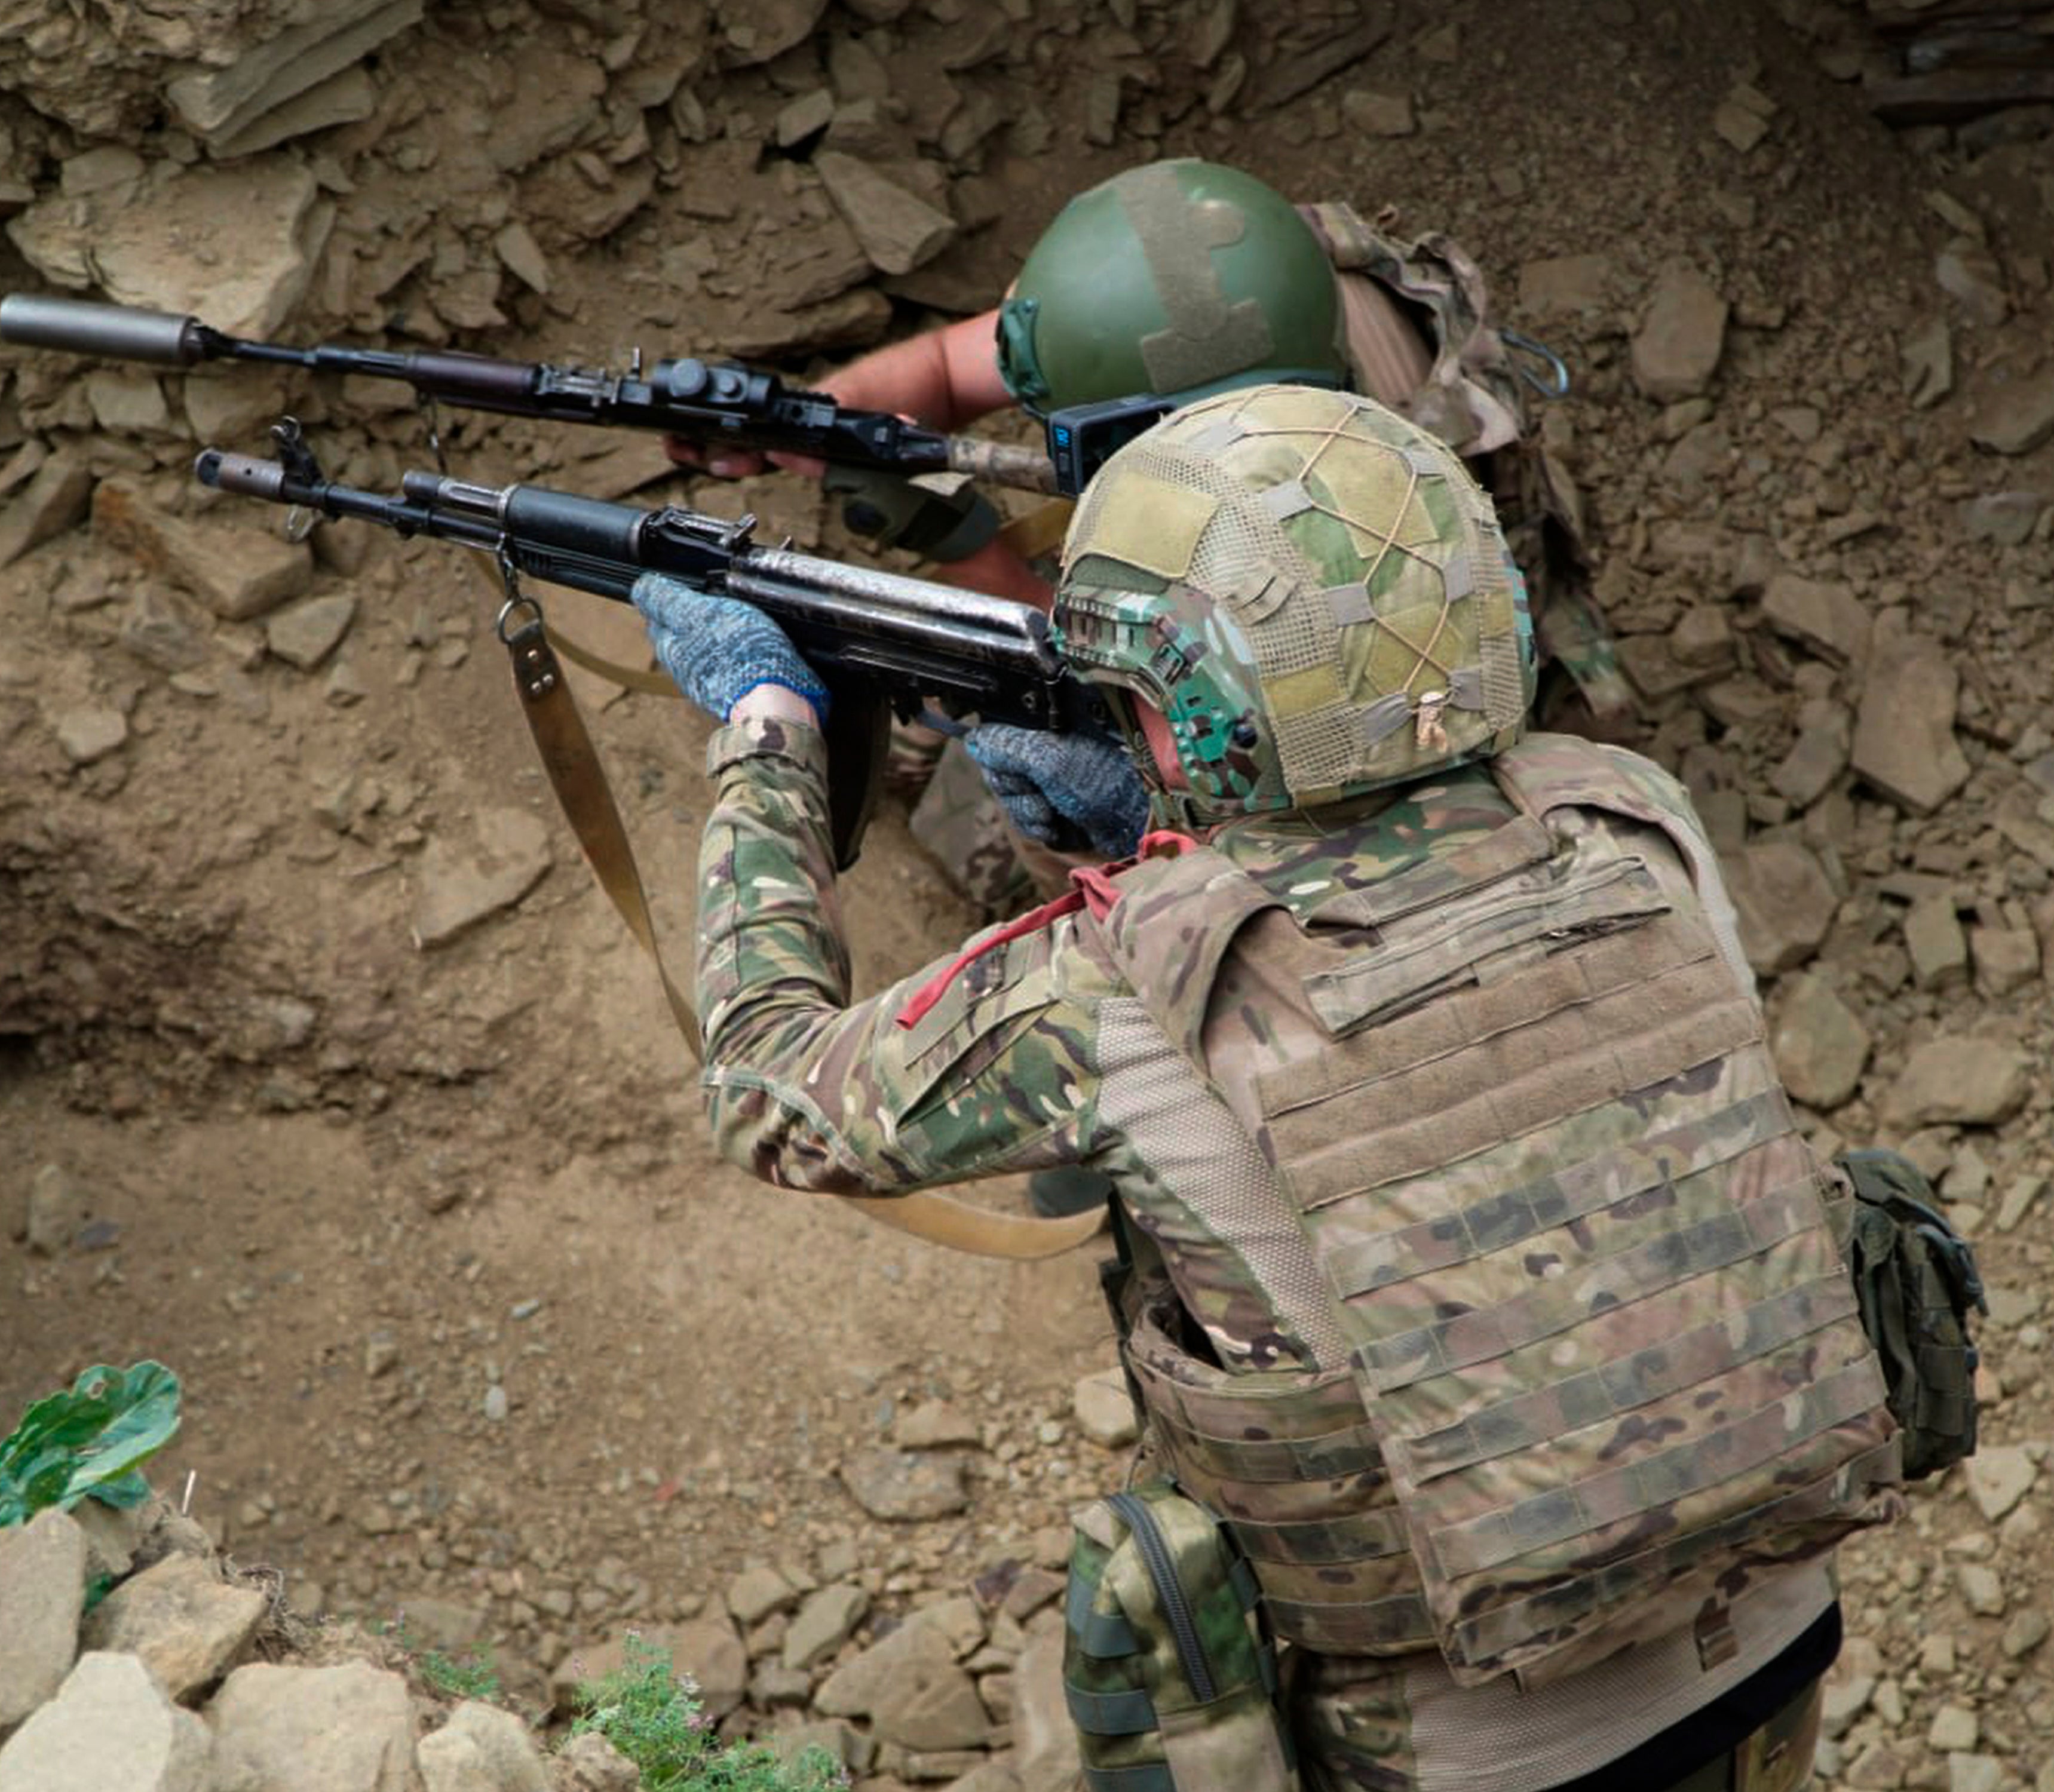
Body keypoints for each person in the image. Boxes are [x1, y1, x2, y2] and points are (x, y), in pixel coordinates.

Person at [633, 383, 1906, 1792]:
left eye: (1141, 689)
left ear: (1196, 705)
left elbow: (766, 1090)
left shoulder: (1106, 994)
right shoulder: (1631, 816)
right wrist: (1169, 831)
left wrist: (765, 727)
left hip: (1472, 1750)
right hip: (1776, 1645)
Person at [670, 157, 1631, 912]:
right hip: (1268, 614)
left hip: (1373, 706)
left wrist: (969, 552)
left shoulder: (1352, 509)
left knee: (1031, 793)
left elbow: (1148, 731)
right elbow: (945, 367)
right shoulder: (1243, 283)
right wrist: (821, 424)